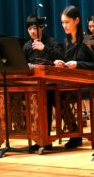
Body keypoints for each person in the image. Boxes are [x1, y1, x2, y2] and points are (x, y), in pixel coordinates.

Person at [54, 5, 94, 149]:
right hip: (73, 83)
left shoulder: (87, 40)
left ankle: (75, 133)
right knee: (55, 93)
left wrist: (78, 64)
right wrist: (60, 63)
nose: (64, 26)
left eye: (67, 22)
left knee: (61, 95)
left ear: (77, 20)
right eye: (62, 22)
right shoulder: (66, 42)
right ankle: (74, 131)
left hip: (89, 84)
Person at [22, 12, 63, 152]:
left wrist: (44, 48)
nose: (33, 31)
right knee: (31, 104)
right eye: (30, 29)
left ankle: (46, 139)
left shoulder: (51, 42)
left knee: (45, 100)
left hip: (52, 83)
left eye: (35, 28)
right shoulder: (26, 46)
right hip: (32, 85)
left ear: (42, 28)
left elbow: (62, 57)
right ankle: (37, 138)